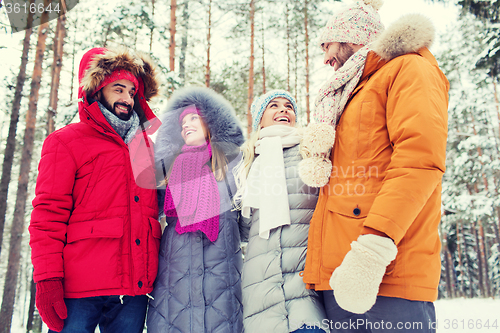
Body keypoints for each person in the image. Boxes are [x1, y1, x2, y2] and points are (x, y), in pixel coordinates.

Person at [299, 0, 449, 331]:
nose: (325, 58)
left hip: (384, 275)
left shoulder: (409, 69)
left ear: (350, 36)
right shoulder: (351, 94)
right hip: (340, 278)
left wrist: (371, 250)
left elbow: (419, 161)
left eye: (329, 45)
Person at [29, 47, 162, 333]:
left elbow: (155, 208)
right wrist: (48, 278)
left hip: (134, 291)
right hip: (79, 291)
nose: (127, 98)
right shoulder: (66, 142)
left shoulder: (144, 148)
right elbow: (48, 215)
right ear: (96, 89)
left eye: (131, 91)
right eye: (118, 89)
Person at [146, 86, 244, 333]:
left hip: (221, 281)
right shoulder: (167, 172)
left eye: (193, 118)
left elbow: (249, 218)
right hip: (174, 281)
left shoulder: (232, 166)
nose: (186, 125)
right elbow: (146, 213)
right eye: (182, 122)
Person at [234, 90, 328, 333]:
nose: (283, 109)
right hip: (260, 286)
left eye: (289, 106)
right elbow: (242, 229)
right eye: (273, 106)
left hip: (305, 283)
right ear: (260, 120)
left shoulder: (311, 152)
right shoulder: (246, 161)